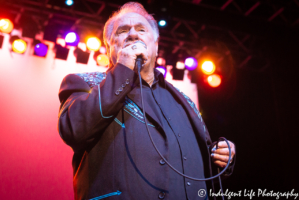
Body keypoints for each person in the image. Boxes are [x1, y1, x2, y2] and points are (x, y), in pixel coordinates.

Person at [58, 2, 236, 200]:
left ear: (156, 45)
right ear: (109, 47)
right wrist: (123, 69)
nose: (133, 34)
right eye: (123, 31)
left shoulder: (184, 101)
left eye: (141, 30)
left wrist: (221, 156)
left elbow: (204, 167)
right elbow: (74, 129)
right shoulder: (85, 83)